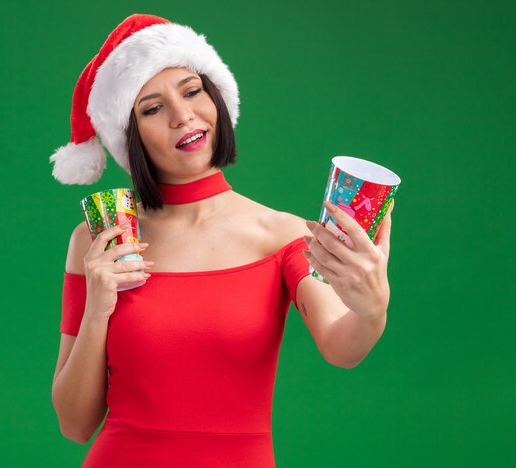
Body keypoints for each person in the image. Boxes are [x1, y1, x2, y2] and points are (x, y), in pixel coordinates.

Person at [49, 14, 393, 468]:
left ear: (217, 99)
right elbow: (74, 425)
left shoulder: (281, 235)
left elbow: (341, 346)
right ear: (129, 137)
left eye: (192, 91)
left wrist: (371, 307)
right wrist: (97, 308)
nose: (182, 115)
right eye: (152, 108)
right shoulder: (100, 239)